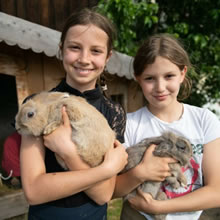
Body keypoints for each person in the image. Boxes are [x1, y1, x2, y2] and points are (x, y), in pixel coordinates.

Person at [20, 8, 128, 220]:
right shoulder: (37, 105)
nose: (84, 59)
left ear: (108, 57)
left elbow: (104, 194)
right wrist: (105, 170)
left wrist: (68, 152)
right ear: (61, 50)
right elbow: (33, 191)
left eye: (96, 51)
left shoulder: (114, 113)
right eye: (75, 48)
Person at [114, 33, 220, 220]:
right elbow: (110, 190)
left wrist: (159, 208)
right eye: (150, 78)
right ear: (138, 79)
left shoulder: (205, 120)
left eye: (169, 76)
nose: (160, 87)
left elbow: (216, 192)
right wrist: (140, 173)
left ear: (182, 74)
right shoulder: (127, 124)